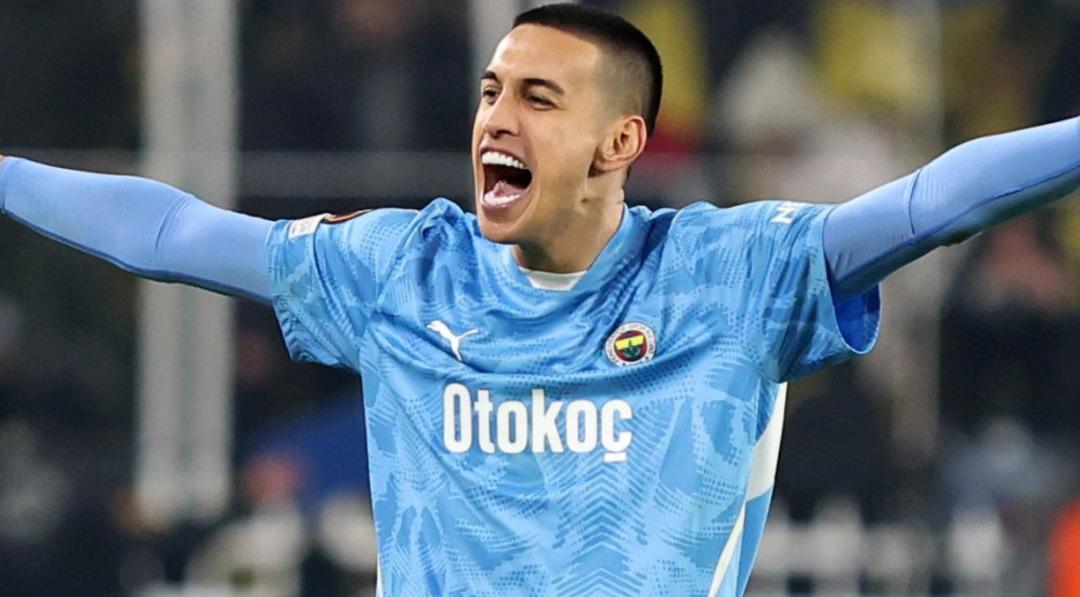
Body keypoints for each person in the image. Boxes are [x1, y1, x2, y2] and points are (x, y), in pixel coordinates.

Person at [1, 4, 1078, 595]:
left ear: (620, 142)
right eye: (490, 92)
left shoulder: (729, 275)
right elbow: (172, 235)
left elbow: (935, 203)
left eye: (538, 97)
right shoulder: (404, 273)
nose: (496, 119)